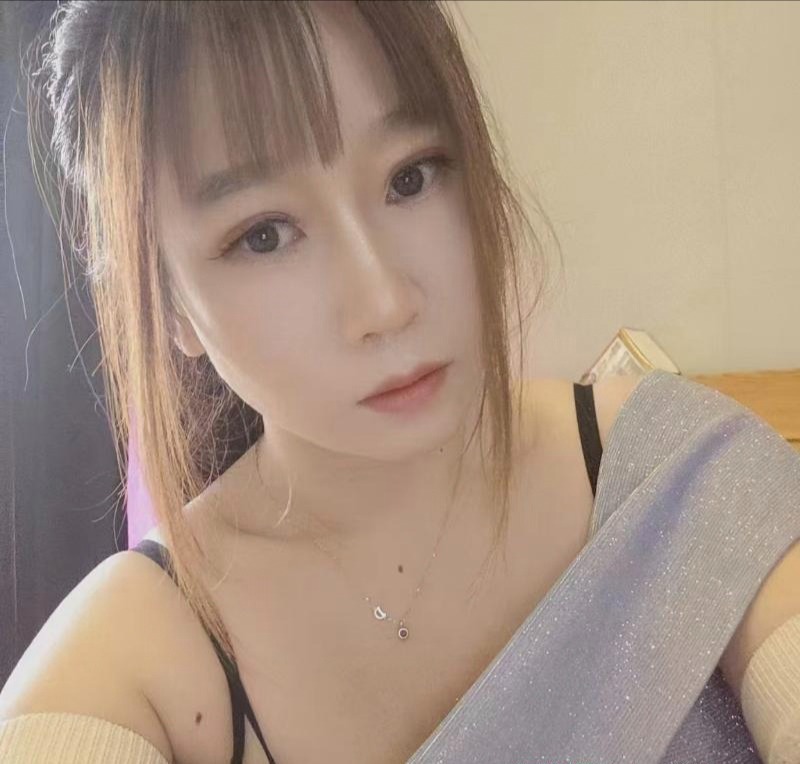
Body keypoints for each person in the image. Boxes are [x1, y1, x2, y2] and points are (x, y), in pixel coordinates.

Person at [2, 2, 800, 763]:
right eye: (264, 235)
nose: (385, 303)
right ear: (168, 304)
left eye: (411, 178)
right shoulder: (137, 652)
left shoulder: (680, 473)